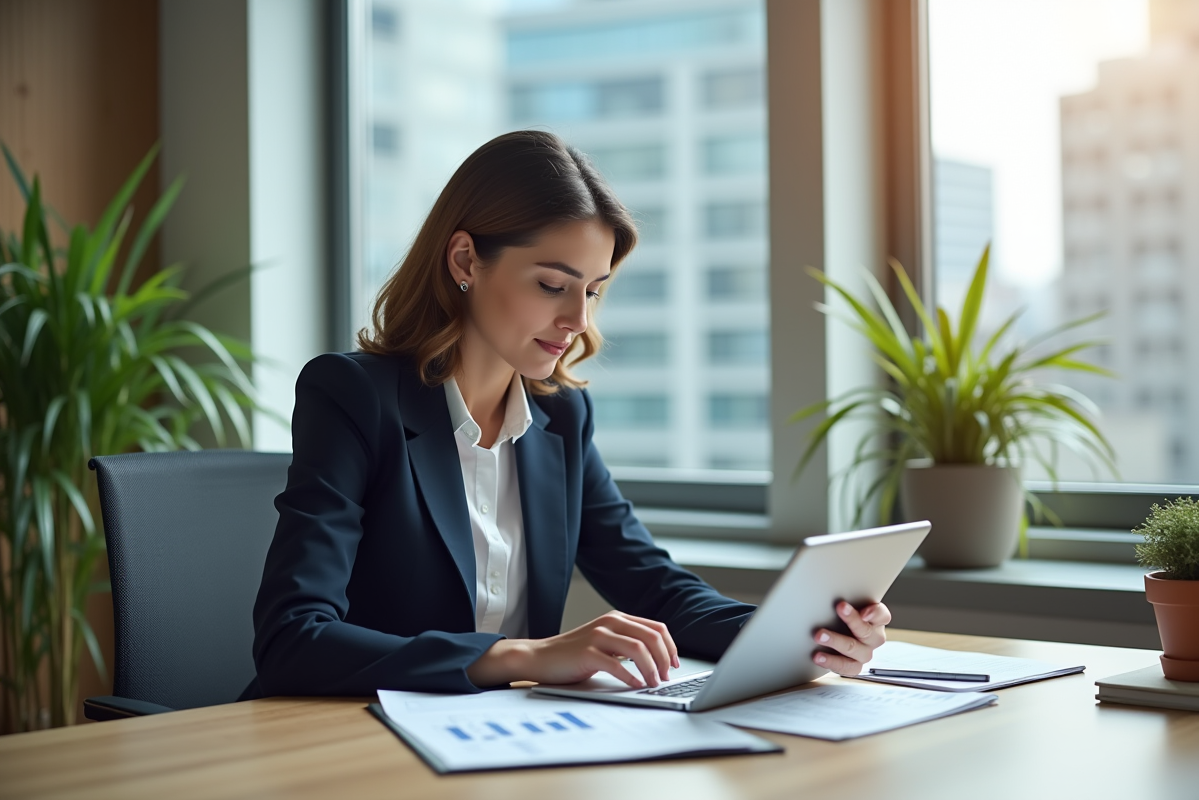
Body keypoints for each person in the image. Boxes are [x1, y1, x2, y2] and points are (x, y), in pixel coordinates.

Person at [244, 130, 890, 699]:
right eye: (552, 285)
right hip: (351, 738)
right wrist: (522, 657)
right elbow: (293, 639)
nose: (578, 319)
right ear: (465, 260)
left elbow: (655, 585)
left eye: (593, 291)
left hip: (499, 743)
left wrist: (806, 632)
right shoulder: (354, 396)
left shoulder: (560, 417)